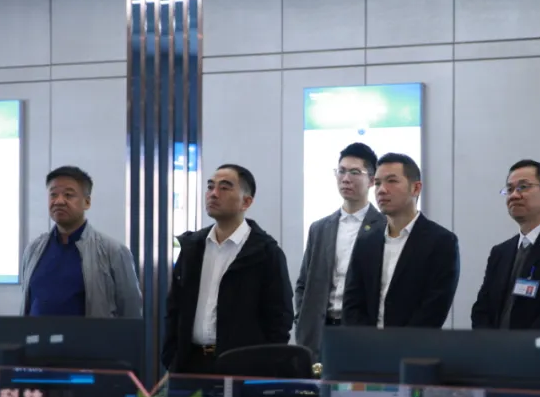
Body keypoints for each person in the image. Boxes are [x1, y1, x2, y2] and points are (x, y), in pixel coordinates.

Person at [162, 164, 292, 373]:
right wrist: (172, 357)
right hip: (190, 364)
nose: (213, 194)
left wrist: (264, 366)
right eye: (210, 187)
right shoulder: (192, 247)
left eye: (224, 187)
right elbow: (174, 307)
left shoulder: (265, 253)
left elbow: (279, 319)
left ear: (246, 202)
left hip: (242, 368)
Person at [343, 153, 459, 329]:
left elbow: (434, 309)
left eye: (392, 181)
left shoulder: (441, 242)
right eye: (378, 183)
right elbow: (352, 302)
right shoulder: (366, 241)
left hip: (414, 344)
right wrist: (366, 340)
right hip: (365, 343)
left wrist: (398, 342)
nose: (382, 190)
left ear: (416, 188)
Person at [471, 159, 540, 331]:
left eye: (523, 187)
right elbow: (482, 308)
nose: (514, 195)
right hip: (494, 347)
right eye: (510, 189)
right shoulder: (500, 252)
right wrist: (489, 341)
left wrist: (523, 344)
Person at [294, 143, 385, 356]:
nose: (345, 178)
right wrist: (302, 321)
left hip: (362, 334)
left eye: (355, 172)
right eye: (341, 171)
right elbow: (303, 284)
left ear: (372, 180)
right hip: (319, 333)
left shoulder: (384, 227)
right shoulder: (319, 228)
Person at [20, 166, 141, 318]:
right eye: (53, 195)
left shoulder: (113, 252)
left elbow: (131, 313)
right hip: (37, 334)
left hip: (91, 334)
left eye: (68, 195)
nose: (59, 201)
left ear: (87, 202)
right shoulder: (33, 250)